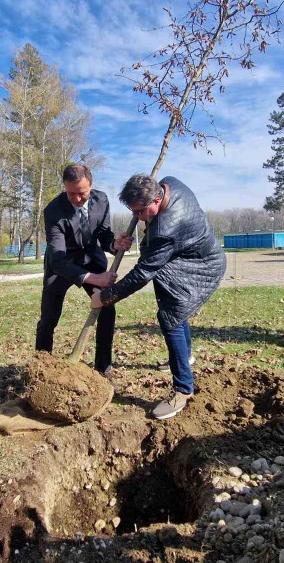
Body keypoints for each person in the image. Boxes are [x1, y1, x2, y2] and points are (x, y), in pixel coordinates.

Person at [91, 174, 226, 420]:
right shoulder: (169, 182)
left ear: (155, 199)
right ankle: (185, 356)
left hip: (200, 267)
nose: (137, 217)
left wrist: (107, 296)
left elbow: (142, 273)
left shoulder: (167, 228)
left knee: (170, 317)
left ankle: (183, 389)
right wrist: (141, 215)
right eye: (134, 211)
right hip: (183, 256)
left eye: (140, 212)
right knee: (174, 310)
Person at [36, 164, 132, 375]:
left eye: (82, 193)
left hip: (91, 259)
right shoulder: (53, 211)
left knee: (107, 310)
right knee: (48, 319)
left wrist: (114, 245)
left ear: (91, 184)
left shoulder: (102, 200)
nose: (77, 199)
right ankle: (41, 370)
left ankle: (102, 370)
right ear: (64, 186)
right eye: (71, 193)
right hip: (60, 265)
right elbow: (58, 260)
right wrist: (94, 279)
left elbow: (104, 235)